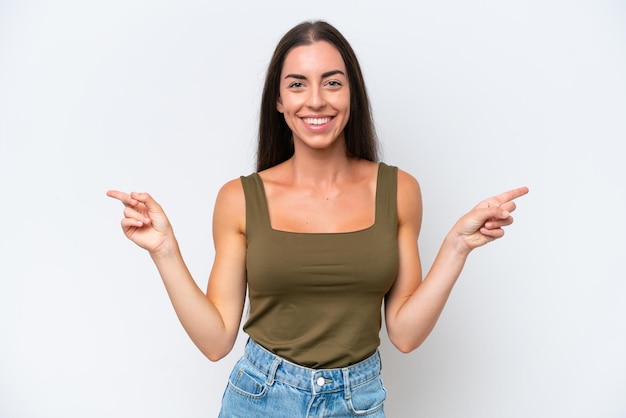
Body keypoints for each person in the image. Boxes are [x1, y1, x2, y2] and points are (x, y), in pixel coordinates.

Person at [107, 20, 528, 417]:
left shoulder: (399, 191)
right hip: (259, 399)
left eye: (332, 82)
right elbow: (216, 341)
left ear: (351, 94)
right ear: (279, 99)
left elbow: (404, 333)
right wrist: (164, 251)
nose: (315, 100)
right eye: (297, 84)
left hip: (358, 400)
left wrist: (457, 246)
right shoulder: (239, 198)